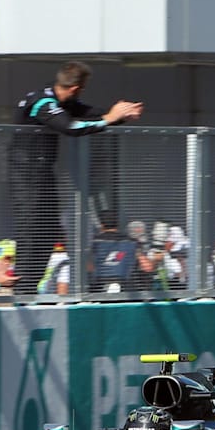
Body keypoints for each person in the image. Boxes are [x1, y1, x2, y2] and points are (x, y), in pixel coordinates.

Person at [12, 61, 143, 293]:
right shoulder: (43, 103)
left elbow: (90, 114)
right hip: (26, 175)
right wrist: (109, 119)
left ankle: (29, 286)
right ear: (75, 88)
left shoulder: (61, 99)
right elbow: (70, 127)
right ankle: (22, 288)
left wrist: (120, 114)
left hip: (42, 172)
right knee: (31, 228)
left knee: (49, 228)